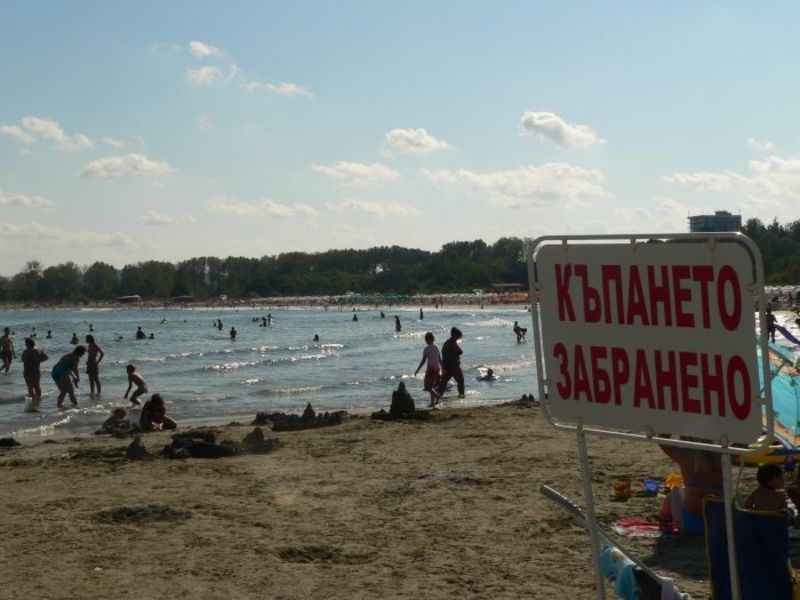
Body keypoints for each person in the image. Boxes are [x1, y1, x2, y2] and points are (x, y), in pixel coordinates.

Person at [659, 444, 723, 535]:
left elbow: (663, 443)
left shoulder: (684, 457)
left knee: (675, 491)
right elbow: (741, 445)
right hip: (718, 524)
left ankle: (664, 523)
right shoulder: (721, 456)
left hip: (689, 523)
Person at [414, 332, 442, 407]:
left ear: (426, 340)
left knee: (427, 386)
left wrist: (417, 370)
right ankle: (432, 403)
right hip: (437, 368)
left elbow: (423, 361)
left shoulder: (427, 349)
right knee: (432, 387)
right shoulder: (436, 347)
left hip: (431, 369)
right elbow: (440, 359)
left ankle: (437, 396)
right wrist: (442, 369)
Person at [438, 327, 465, 398]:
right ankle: (461, 394)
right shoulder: (452, 342)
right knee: (460, 380)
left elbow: (443, 353)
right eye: (458, 336)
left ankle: (438, 394)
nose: (459, 338)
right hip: (453, 365)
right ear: (455, 335)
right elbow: (460, 351)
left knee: (444, 381)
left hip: (446, 364)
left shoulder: (447, 342)